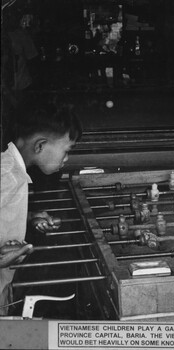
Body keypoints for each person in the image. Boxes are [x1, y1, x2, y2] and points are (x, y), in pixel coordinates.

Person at [0, 102, 82, 315]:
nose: (66, 159)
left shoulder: (11, 170)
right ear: (40, 146)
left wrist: (29, 217)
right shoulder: (7, 176)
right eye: (66, 150)